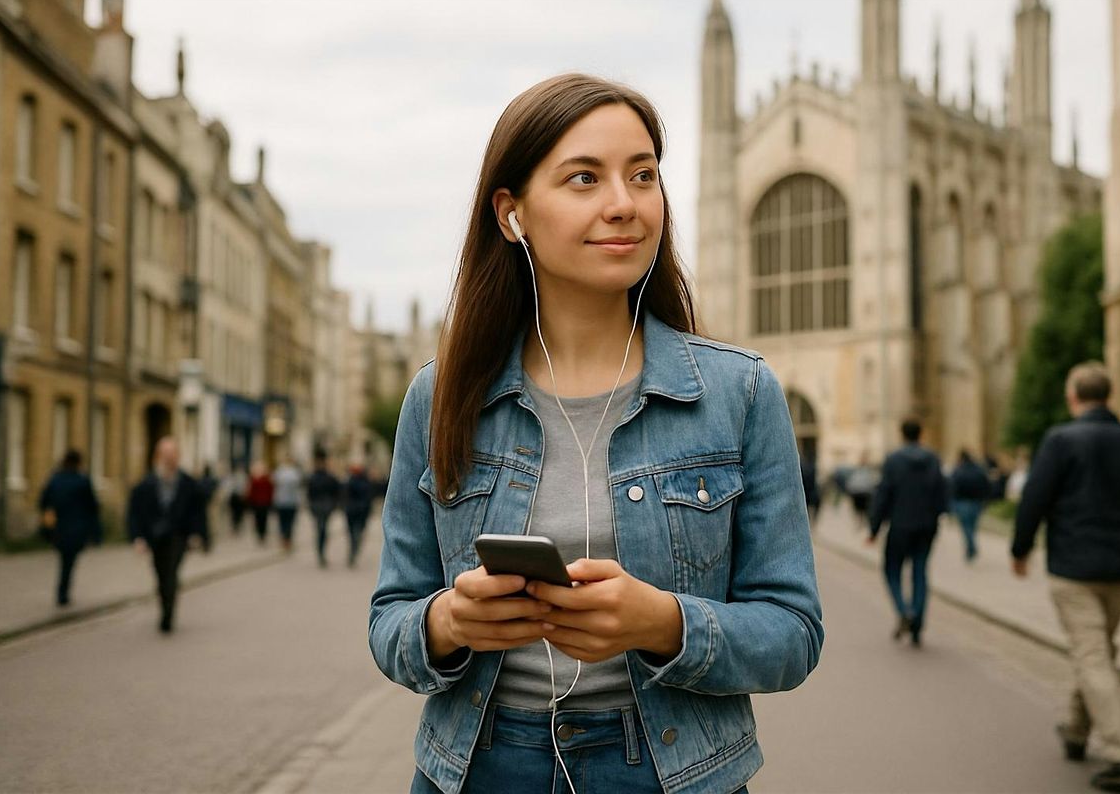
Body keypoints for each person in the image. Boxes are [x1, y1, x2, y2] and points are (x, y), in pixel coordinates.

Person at [368, 74, 823, 794]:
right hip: (481, 769)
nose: (624, 203)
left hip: (671, 773)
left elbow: (794, 634)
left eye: (642, 175)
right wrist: (450, 621)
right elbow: (390, 621)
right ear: (511, 213)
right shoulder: (441, 393)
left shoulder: (740, 392)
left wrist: (665, 622)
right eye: (585, 178)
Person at [1011, 362, 1120, 794]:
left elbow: (1035, 499)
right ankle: (1078, 731)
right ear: (1110, 395)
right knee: (1098, 651)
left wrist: (1020, 549)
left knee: (1092, 654)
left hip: (1073, 570)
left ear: (1073, 398)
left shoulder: (1061, 441)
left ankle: (1119, 756)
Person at [867, 418, 948, 647]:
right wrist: (939, 515)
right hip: (927, 525)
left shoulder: (894, 460)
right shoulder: (932, 459)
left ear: (902, 434)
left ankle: (904, 610)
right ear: (920, 434)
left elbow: (883, 494)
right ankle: (917, 622)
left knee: (892, 569)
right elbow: (942, 491)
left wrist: (874, 528)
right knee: (920, 572)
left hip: (900, 525)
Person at [127, 437, 209, 633]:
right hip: (155, 537)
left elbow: (197, 511)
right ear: (158, 456)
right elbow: (135, 513)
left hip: (178, 535)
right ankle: (165, 602)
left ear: (178, 456)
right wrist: (137, 538)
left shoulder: (188, 483)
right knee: (160, 573)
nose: (169, 459)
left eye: (172, 454)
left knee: (171, 572)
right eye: (165, 455)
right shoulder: (146, 484)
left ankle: (167, 615)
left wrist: (197, 534)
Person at [37, 449, 101, 606]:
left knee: (65, 560)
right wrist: (96, 533)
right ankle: (63, 593)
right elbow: (92, 507)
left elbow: (43, 501)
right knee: (69, 561)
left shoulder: (55, 479)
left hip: (59, 528)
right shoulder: (82, 481)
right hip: (77, 528)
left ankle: (62, 591)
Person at [949, 450, 990, 562]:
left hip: (963, 502)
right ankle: (971, 546)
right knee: (972, 526)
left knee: (966, 527)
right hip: (977, 502)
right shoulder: (979, 470)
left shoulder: (958, 470)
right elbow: (986, 485)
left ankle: (971, 546)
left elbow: (952, 487)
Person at [307, 450, 342, 568]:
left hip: (325, 506)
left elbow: (336, 491)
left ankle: (321, 551)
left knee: (322, 529)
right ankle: (320, 552)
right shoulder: (314, 477)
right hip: (319, 506)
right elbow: (310, 493)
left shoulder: (328, 477)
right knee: (321, 529)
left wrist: (333, 505)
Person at [343, 463, 373, 568]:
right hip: (359, 512)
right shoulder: (365, 483)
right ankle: (353, 552)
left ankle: (353, 552)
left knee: (353, 534)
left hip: (353, 512)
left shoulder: (349, 482)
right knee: (356, 534)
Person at [271, 456, 302, 553]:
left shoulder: (279, 472)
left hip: (281, 501)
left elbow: (274, 483)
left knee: (282, 521)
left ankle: (284, 537)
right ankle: (287, 539)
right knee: (290, 522)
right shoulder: (295, 473)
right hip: (292, 502)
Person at [845, 452, 880, 530]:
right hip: (857, 493)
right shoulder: (856, 470)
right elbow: (852, 481)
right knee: (858, 510)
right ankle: (859, 523)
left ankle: (862, 523)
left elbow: (872, 481)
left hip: (864, 493)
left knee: (864, 510)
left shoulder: (868, 471)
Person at [246, 461, 273, 545]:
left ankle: (262, 534)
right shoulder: (254, 479)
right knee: (258, 519)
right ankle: (260, 534)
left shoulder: (267, 479)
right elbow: (251, 492)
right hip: (256, 503)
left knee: (264, 519)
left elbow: (270, 490)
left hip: (264, 502)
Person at [226, 464, 249, 534]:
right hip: (236, 497)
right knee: (235, 513)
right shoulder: (234, 477)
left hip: (238, 497)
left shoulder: (243, 477)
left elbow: (246, 487)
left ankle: (237, 525)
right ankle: (236, 525)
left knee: (238, 513)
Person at [801, 452, 822, 526]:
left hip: (807, 491)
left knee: (807, 508)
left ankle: (810, 520)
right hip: (810, 491)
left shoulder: (803, 468)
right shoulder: (812, 468)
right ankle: (813, 519)